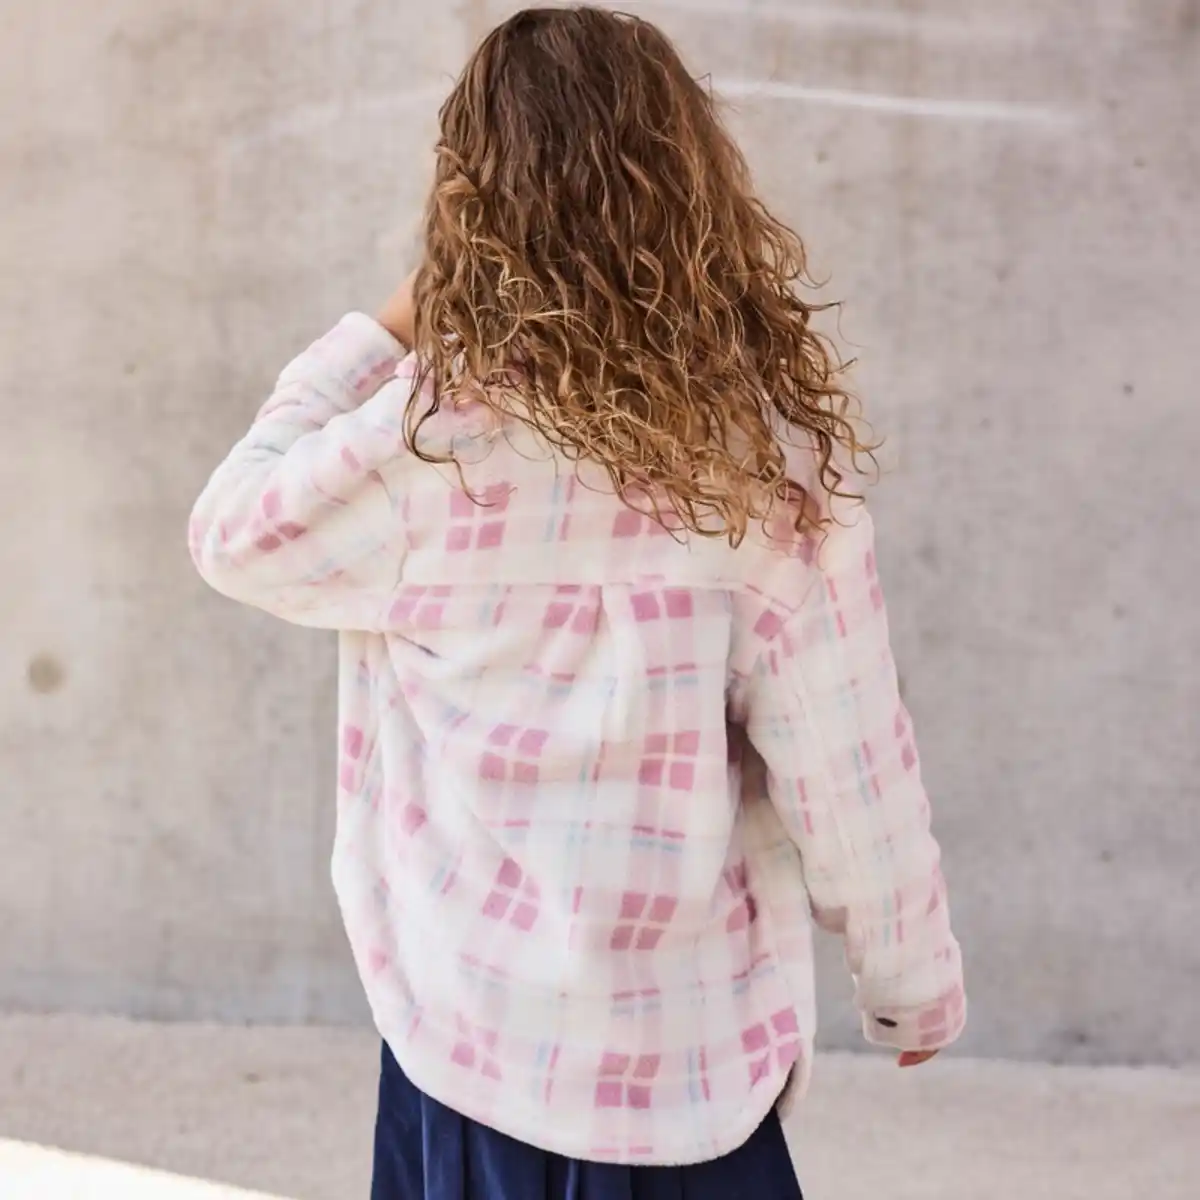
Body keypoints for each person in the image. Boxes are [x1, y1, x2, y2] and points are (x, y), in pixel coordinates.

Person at [188, 6, 965, 1197]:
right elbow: (849, 752)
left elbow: (233, 531)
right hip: (688, 1067)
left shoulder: (428, 442)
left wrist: (380, 332)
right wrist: (910, 979)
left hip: (472, 1040)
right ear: (692, 188)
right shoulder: (768, 462)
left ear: (472, 203)